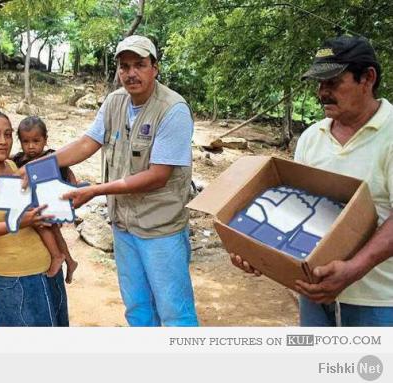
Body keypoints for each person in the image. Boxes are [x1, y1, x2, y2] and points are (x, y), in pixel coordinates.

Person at [22, 35, 198, 326]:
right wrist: (33, 169)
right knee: (138, 308)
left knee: (175, 313)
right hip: (123, 226)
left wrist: (95, 191)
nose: (131, 73)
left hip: (160, 229)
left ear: (155, 67)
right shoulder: (115, 101)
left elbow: (157, 176)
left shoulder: (173, 110)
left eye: (139, 65)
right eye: (124, 66)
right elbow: (85, 144)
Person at [231, 35, 393, 326]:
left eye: (332, 82)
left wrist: (354, 269)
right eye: (319, 84)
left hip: (377, 301)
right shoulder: (311, 138)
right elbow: (297, 207)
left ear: (367, 78)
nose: (322, 93)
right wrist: (256, 250)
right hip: (313, 294)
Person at [0, 109, 69, 326]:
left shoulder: (15, 167)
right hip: (14, 279)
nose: (3, 141)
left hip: (47, 272)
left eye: (8, 135)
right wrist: (15, 223)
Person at [13, 116, 78, 283]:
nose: (31, 146)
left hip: (50, 203)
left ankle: (57, 256)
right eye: (26, 141)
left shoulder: (53, 157)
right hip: (37, 203)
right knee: (55, 231)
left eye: (36, 141)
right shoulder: (20, 160)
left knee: (42, 226)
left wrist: (71, 202)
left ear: (45, 140)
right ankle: (70, 261)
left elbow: (70, 178)